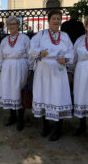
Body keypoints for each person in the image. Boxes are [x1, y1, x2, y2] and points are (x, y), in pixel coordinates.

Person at [29, 9, 74, 141]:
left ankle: (58, 128)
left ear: (61, 21)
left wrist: (65, 59)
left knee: (57, 96)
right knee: (44, 95)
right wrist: (39, 53)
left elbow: (71, 52)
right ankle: (45, 126)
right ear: (48, 21)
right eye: (53, 18)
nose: (56, 21)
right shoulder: (40, 35)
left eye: (58, 18)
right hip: (43, 70)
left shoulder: (65, 36)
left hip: (58, 69)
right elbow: (31, 49)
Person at [0, 16, 31, 131]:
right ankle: (12, 116)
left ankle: (20, 118)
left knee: (19, 91)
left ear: (18, 25)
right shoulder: (5, 40)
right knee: (9, 91)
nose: (12, 26)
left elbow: (30, 54)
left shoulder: (25, 39)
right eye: (10, 24)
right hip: (7, 69)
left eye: (14, 24)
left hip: (20, 67)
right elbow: (0, 55)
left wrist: (30, 69)